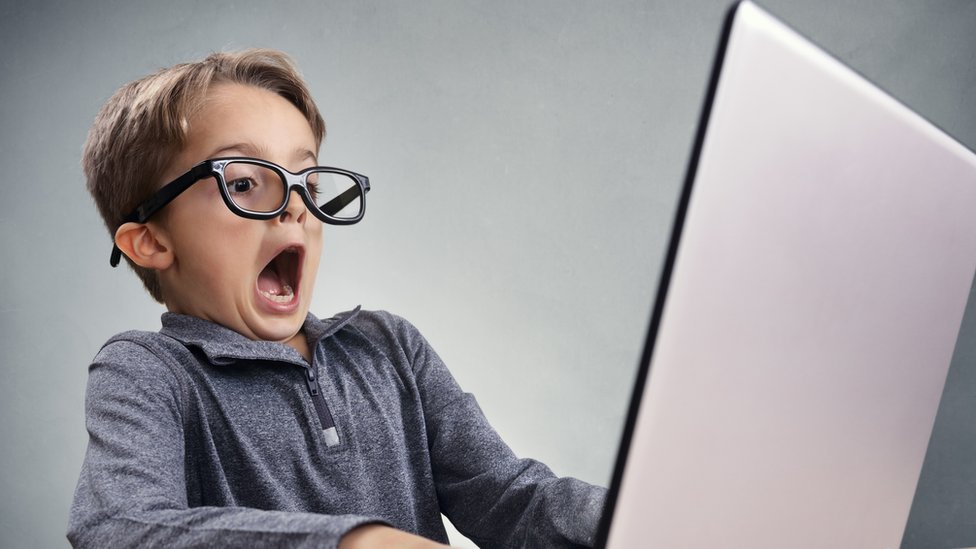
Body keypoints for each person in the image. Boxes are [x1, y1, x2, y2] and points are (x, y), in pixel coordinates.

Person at [68, 49, 606, 548]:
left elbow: (512, 499)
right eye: (247, 183)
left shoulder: (389, 347)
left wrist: (632, 518)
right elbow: (119, 525)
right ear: (151, 242)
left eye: (308, 182)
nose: (296, 206)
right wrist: (357, 541)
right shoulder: (147, 372)